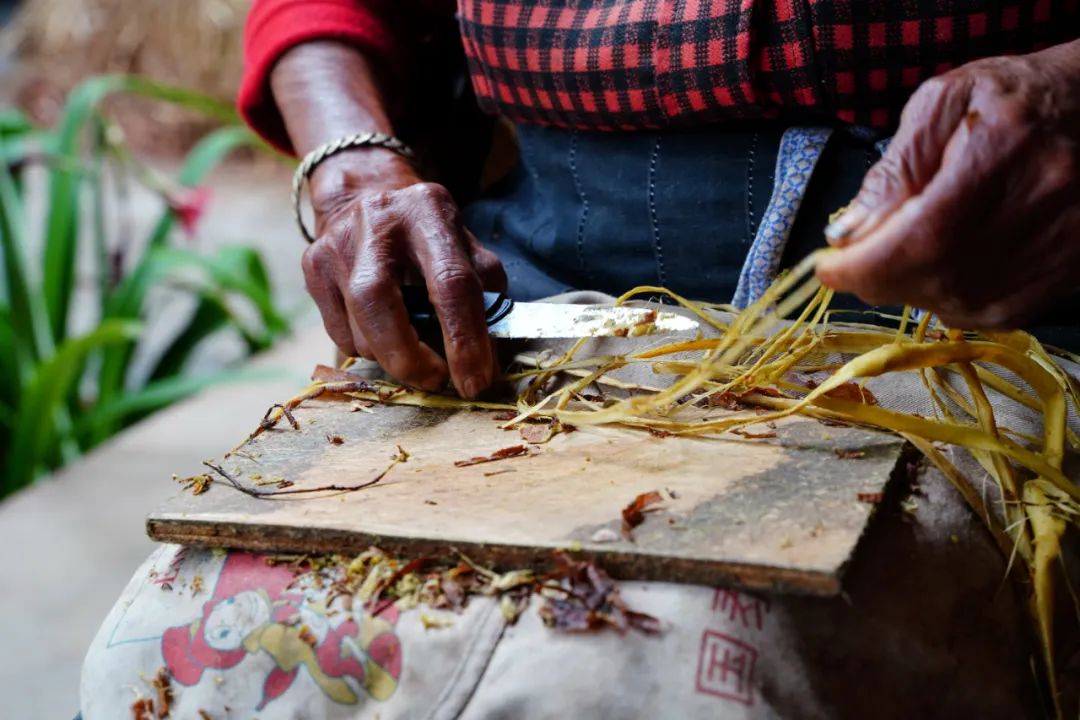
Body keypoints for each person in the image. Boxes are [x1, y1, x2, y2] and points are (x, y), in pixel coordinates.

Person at [78, 3, 1080, 718]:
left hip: (993, 287)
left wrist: (1062, 89)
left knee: (625, 680)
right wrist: (352, 162)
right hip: (537, 279)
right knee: (181, 653)